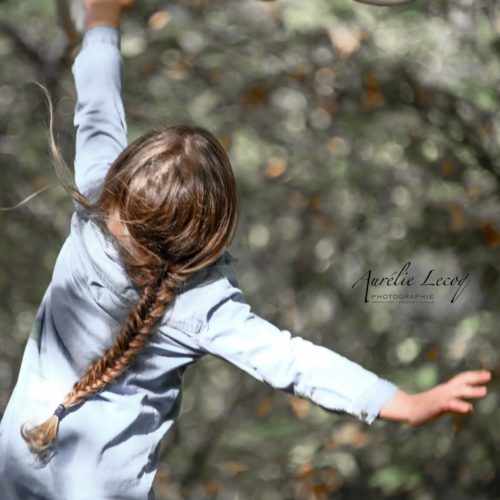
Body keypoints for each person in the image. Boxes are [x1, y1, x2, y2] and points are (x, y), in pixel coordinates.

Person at [0, 1, 491, 498]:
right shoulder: (205, 306)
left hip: (13, 465)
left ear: (124, 175)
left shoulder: (95, 202)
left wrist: (101, 19)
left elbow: (98, 108)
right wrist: (402, 403)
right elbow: (293, 362)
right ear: (211, 235)